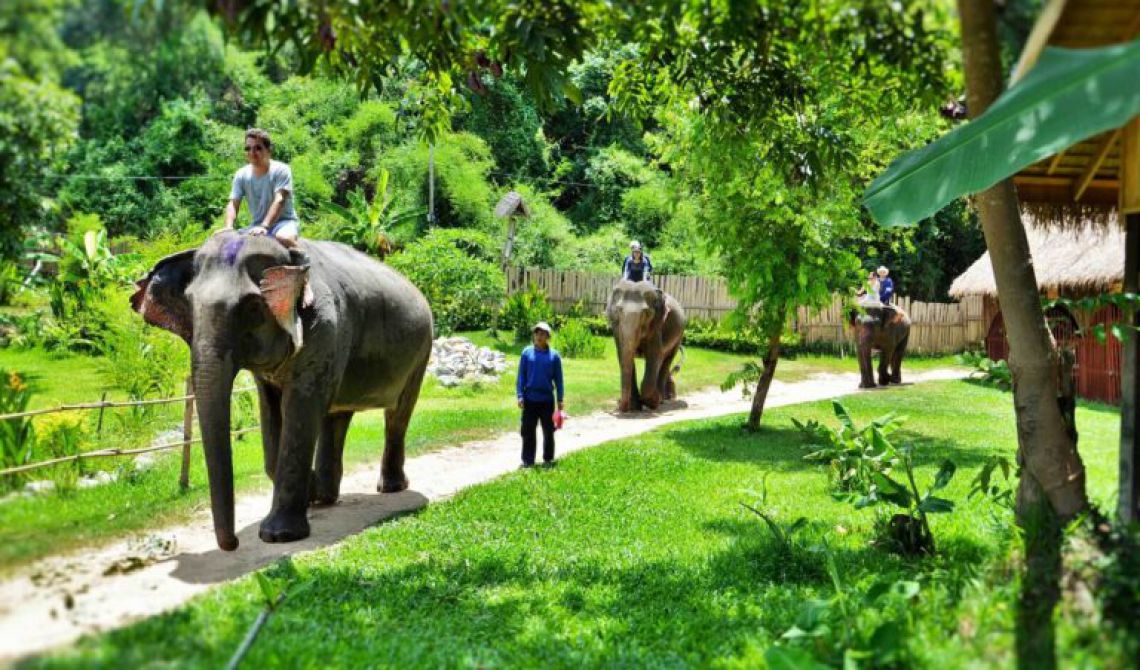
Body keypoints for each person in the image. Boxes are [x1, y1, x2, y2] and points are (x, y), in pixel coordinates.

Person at [223, 128, 301, 249]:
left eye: (258, 148)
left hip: (283, 223)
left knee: (284, 238)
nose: (252, 152)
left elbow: (279, 200)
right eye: (248, 148)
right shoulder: (241, 174)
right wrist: (228, 227)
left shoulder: (281, 170)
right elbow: (233, 203)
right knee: (226, 244)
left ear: (268, 151)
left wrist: (264, 227)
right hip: (255, 226)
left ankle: (303, 259)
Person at [516, 322, 565, 468]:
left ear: (548, 337)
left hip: (546, 400)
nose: (539, 336)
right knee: (527, 431)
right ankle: (528, 460)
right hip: (530, 398)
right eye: (537, 333)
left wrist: (560, 399)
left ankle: (548, 458)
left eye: (543, 333)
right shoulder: (526, 353)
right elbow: (521, 377)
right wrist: (520, 395)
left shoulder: (554, 356)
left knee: (548, 431)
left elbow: (559, 380)